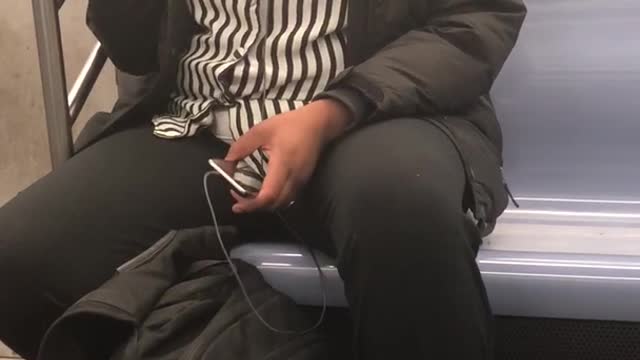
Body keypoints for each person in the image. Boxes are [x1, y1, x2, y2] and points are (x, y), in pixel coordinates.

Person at [0, 0, 526, 358]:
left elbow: (477, 16)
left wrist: (332, 111)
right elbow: (134, 51)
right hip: (200, 124)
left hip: (371, 115)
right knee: (17, 261)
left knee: (403, 216)